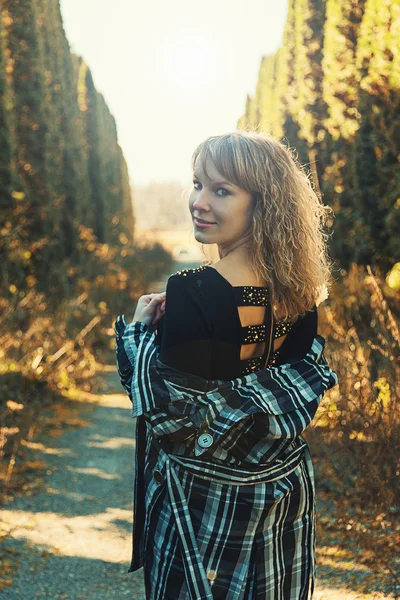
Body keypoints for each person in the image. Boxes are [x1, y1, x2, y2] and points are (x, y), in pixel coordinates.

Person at [114, 130, 338, 599]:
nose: (199, 202)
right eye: (197, 184)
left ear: (263, 203)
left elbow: (170, 423)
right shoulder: (299, 293)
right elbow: (284, 400)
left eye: (221, 190)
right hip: (276, 498)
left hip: (201, 509)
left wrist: (136, 334)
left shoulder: (193, 292)